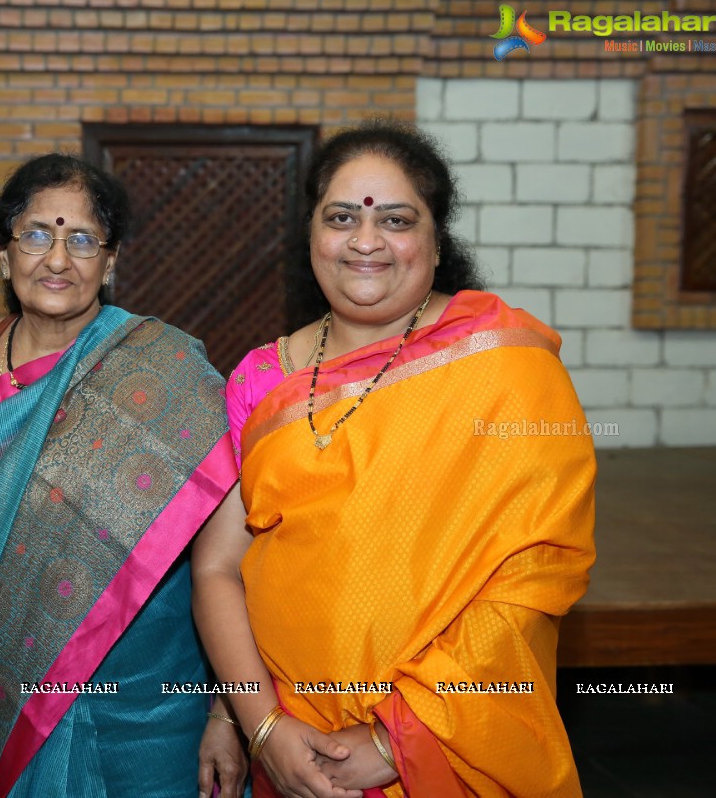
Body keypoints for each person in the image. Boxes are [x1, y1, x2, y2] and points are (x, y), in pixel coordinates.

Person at [193, 120, 596, 798]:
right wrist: (256, 724)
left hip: (452, 744)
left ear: (437, 242)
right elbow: (219, 567)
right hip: (295, 749)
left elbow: (534, 575)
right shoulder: (262, 378)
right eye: (341, 217)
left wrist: (396, 735)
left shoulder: (505, 367)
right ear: (313, 236)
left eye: (398, 220)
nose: (366, 241)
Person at [0, 153, 246, 798]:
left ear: (111, 260)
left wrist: (229, 710)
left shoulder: (165, 369)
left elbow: (236, 559)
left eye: (81, 240)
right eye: (36, 235)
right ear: (2, 253)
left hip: (144, 696)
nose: (56, 259)